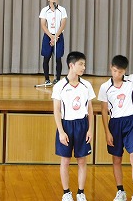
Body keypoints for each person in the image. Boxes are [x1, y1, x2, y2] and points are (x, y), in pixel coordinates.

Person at [98, 35, 133, 201]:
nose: (117, 74)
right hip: (114, 124)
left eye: (120, 72)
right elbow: (103, 111)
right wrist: (107, 132)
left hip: (131, 122)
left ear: (125, 71)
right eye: (115, 71)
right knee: (116, 159)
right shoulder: (105, 87)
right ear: (111, 68)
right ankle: (120, 191)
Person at [52, 51, 95, 201]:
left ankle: (81, 192)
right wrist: (61, 131)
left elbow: (90, 109)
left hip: (82, 125)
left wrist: (90, 129)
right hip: (66, 125)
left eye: (84, 64)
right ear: (72, 65)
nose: (84, 67)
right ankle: (66, 193)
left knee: (82, 160)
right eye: (81, 64)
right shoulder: (59, 86)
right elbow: (56, 110)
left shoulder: (86, 85)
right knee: (65, 160)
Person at [39, 0, 68, 85]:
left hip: (58, 36)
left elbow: (63, 24)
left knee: (58, 58)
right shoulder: (44, 10)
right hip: (48, 36)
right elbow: (43, 25)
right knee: (46, 58)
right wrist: (51, 37)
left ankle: (58, 79)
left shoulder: (62, 10)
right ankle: (47, 79)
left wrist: (56, 37)